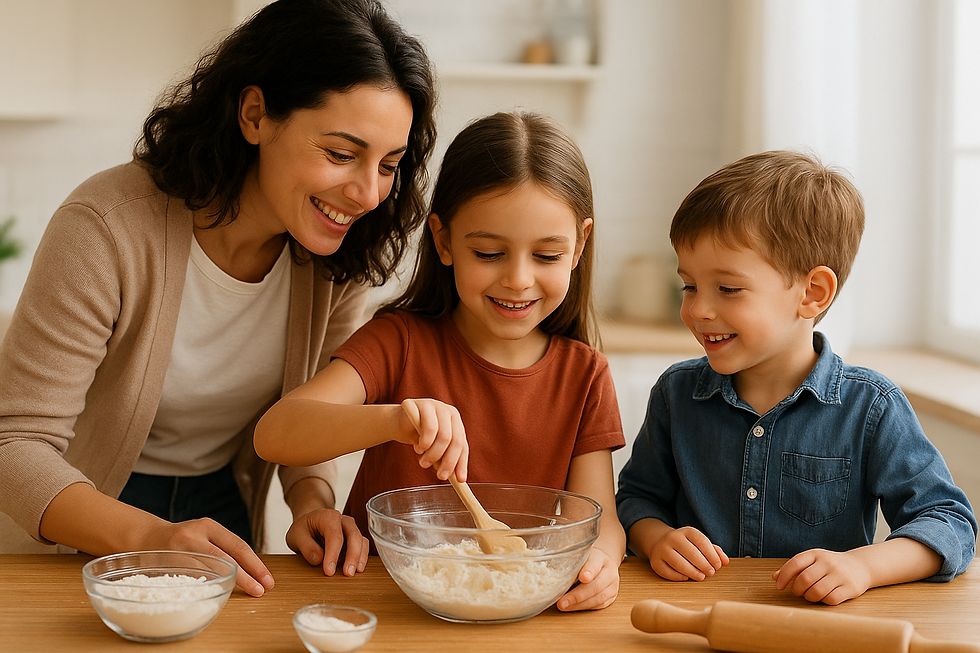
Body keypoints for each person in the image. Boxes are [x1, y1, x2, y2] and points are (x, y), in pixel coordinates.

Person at [0, 0, 437, 598]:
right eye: (340, 154)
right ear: (255, 114)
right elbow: (14, 446)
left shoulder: (339, 257)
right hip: (84, 512)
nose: (366, 193)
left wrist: (312, 502)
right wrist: (151, 537)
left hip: (220, 507)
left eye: (389, 164)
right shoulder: (105, 227)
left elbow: (311, 415)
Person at [254, 111, 627, 611]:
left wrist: (601, 561)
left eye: (546, 256)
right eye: (490, 253)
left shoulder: (584, 375)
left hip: (520, 612)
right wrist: (392, 419)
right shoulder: (399, 342)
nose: (518, 279)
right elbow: (275, 433)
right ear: (445, 240)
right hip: (379, 602)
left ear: (579, 245)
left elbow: (598, 519)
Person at [615, 150, 978, 605]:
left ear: (812, 293)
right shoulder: (676, 393)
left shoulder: (871, 406)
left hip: (818, 626)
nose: (697, 310)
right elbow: (634, 498)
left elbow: (949, 522)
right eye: (689, 285)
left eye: (728, 288)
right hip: (695, 616)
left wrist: (863, 566)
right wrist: (655, 538)